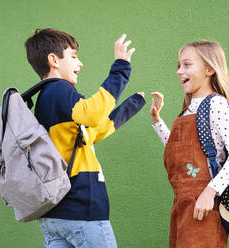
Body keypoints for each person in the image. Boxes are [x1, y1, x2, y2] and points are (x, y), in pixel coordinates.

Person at [24, 28, 145, 248]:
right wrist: (121, 68)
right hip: (81, 208)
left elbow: (91, 132)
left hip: (54, 215)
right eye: (73, 57)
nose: (79, 64)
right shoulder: (60, 89)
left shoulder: (46, 99)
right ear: (53, 60)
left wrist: (133, 104)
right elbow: (92, 113)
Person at [150, 41, 229, 248]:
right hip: (182, 203)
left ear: (209, 69)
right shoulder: (187, 110)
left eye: (186, 65)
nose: (179, 71)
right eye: (178, 65)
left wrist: (210, 192)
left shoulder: (216, 104)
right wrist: (158, 122)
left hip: (204, 204)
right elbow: (176, 149)